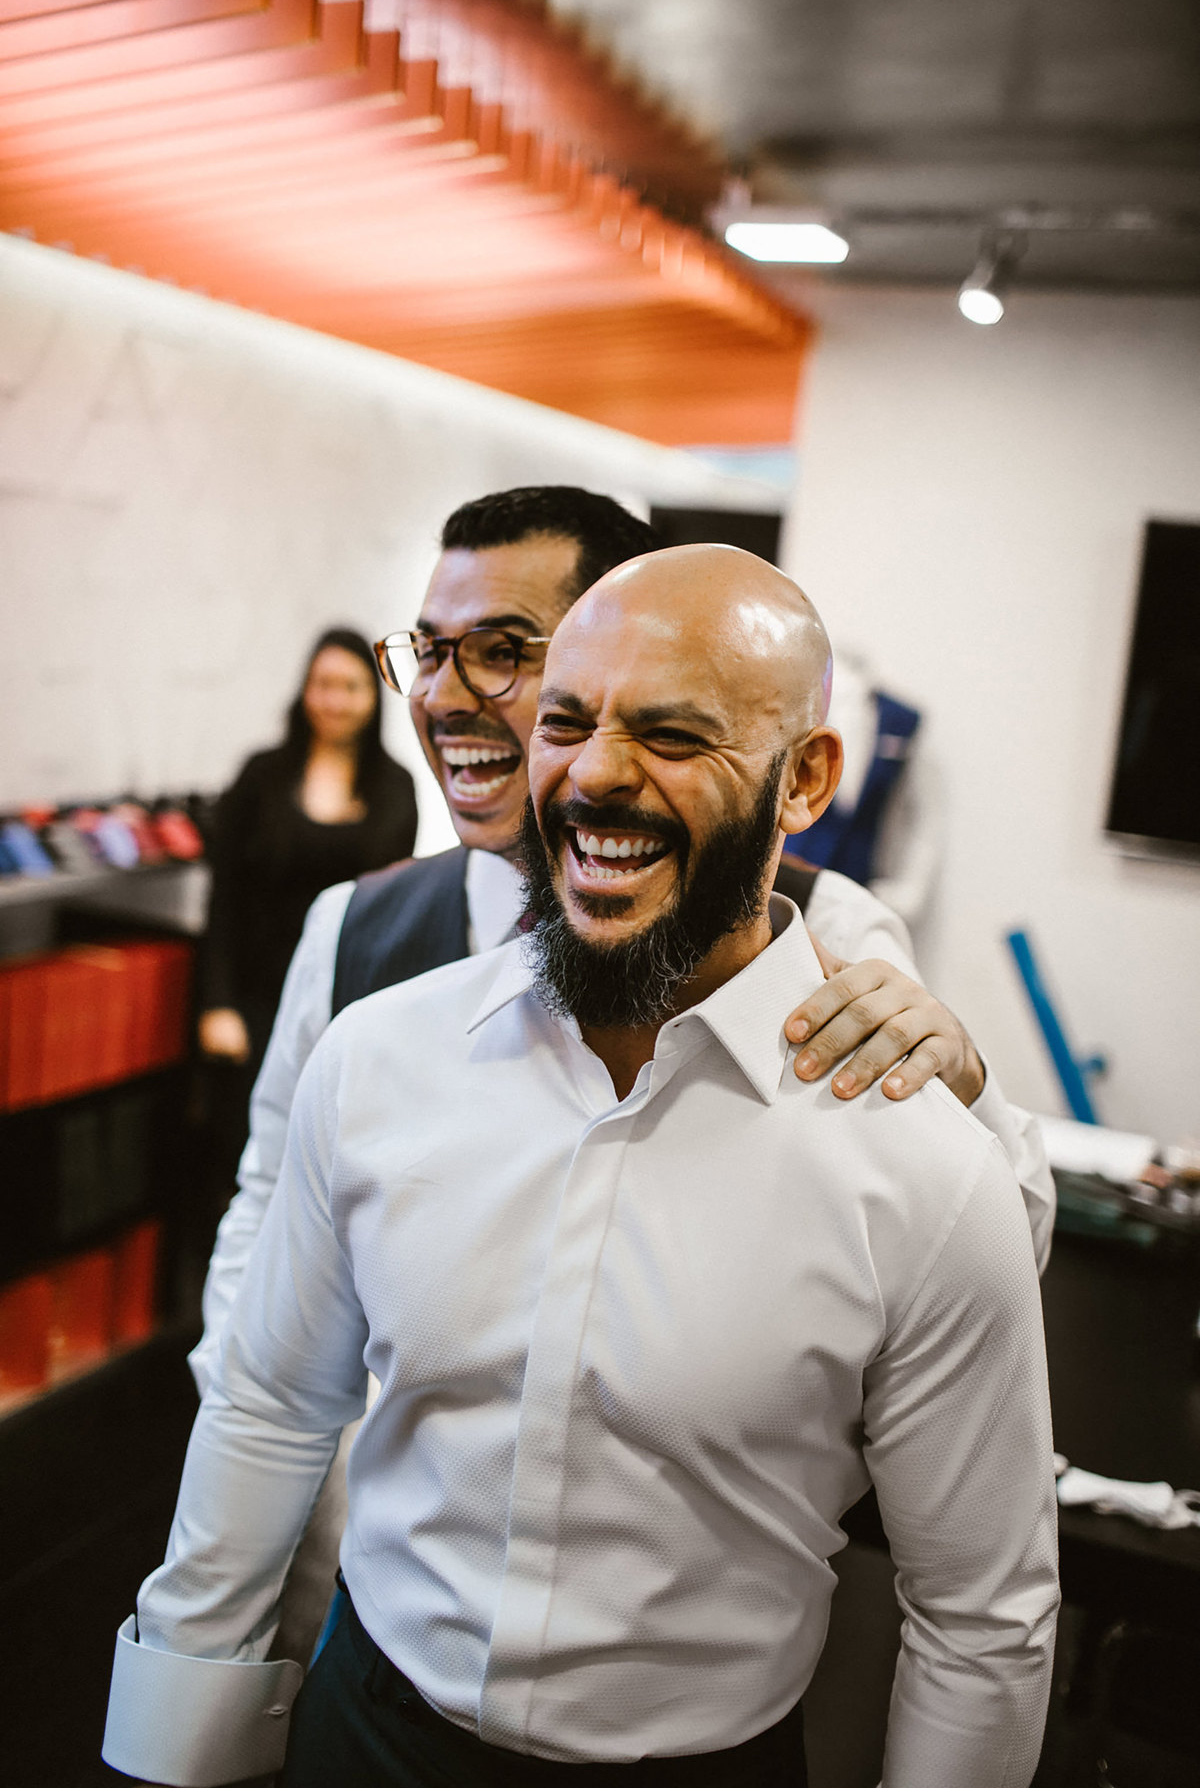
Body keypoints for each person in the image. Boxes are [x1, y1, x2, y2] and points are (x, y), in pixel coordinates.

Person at [104, 544, 1059, 1787]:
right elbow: (273, 1402)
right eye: (566, 719)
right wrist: (176, 1745)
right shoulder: (384, 1056)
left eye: (671, 734)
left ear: (807, 777)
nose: (596, 773)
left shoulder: (917, 1157)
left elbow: (981, 1617)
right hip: (362, 1731)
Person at [193, 490, 1052, 1403]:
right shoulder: (350, 927)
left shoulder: (824, 927)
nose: (443, 698)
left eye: (497, 653)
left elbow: (996, 1248)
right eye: (431, 653)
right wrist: (254, 1435)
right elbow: (268, 1203)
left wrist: (967, 1084)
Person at [197, 627, 419, 1073]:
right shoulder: (260, 776)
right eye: (323, 685)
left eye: (350, 687)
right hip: (254, 999)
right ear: (304, 691)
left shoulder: (396, 787)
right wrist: (216, 1004)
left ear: (373, 697)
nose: (334, 700)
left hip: (346, 1001)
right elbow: (224, 898)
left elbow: (392, 912)